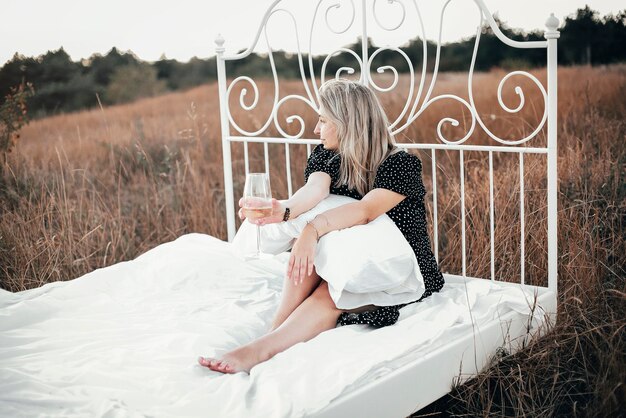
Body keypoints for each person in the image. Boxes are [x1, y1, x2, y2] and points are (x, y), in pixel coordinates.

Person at [198, 79, 444, 374]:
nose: (316, 129)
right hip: (351, 257)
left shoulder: (400, 164)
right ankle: (275, 330)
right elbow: (314, 192)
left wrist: (311, 230)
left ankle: (261, 349)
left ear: (346, 122)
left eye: (323, 120)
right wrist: (284, 209)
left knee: (330, 291)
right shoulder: (327, 154)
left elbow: (365, 211)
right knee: (311, 257)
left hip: (398, 266)